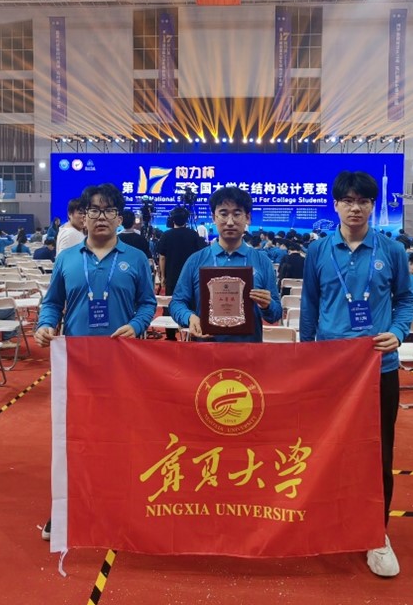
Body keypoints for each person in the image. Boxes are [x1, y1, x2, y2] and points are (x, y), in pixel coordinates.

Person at [300, 170, 413, 578]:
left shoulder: (392, 250)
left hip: (378, 369)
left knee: (378, 453)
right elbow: (310, 306)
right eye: (347, 200)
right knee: (326, 449)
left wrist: (398, 331)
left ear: (372, 206)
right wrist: (306, 358)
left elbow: (405, 300)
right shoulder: (318, 251)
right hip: (331, 371)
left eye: (363, 201)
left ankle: (375, 534)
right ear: (335, 204)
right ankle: (328, 520)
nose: (355, 208)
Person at [35, 183, 157, 540]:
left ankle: (120, 503)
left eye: (109, 210)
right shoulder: (67, 259)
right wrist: (45, 324)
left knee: (121, 437)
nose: (101, 216)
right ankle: (67, 507)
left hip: (123, 364)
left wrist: (137, 325)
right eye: (94, 210)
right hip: (77, 366)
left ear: (119, 218)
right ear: (82, 216)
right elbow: (52, 303)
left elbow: (148, 303)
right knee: (75, 438)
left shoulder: (135, 258)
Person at [170, 186, 282, 341]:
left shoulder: (262, 262)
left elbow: (276, 313)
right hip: (205, 349)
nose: (230, 222)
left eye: (237, 214)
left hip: (248, 350)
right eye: (223, 214)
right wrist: (189, 317)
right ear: (214, 217)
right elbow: (177, 303)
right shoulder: (195, 260)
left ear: (247, 218)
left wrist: (267, 305)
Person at [157, 206, 204, 340]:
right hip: (191, 276)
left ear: (172, 220)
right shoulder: (193, 235)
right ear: (186, 220)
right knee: (191, 304)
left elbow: (162, 257)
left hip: (172, 276)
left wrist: (163, 276)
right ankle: (191, 332)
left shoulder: (166, 235)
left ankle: (170, 335)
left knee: (170, 303)